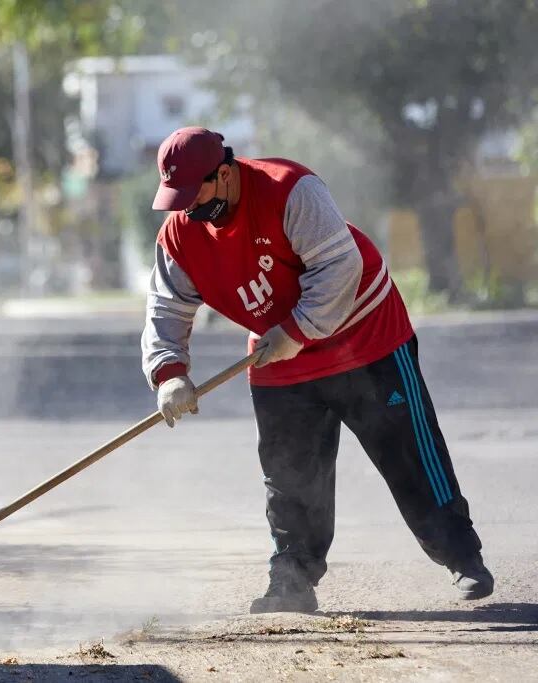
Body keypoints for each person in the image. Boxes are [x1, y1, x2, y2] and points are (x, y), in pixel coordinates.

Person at [140, 126, 493, 613]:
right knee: (288, 473)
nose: (187, 207)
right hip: (277, 352)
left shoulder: (290, 189)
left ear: (224, 173)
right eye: (175, 197)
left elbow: (339, 269)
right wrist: (170, 373)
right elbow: (166, 309)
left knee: (408, 452)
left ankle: (463, 557)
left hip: (365, 337)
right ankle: (292, 580)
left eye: (194, 191)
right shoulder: (180, 235)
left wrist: (297, 331)